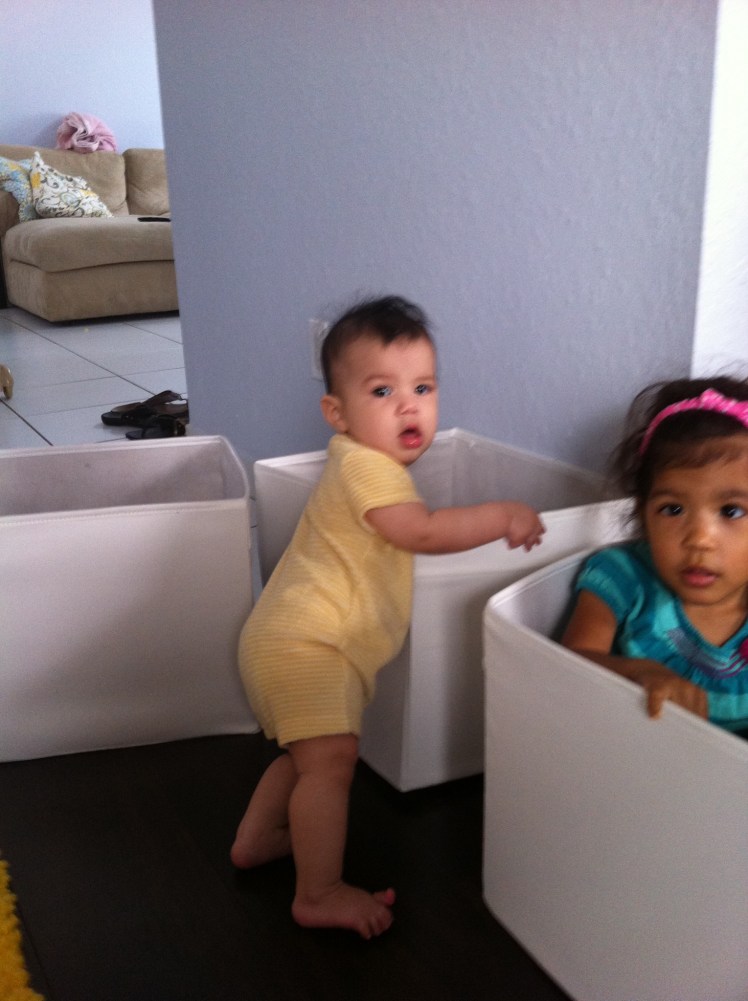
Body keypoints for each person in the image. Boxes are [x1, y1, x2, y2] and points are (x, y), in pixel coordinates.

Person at [231, 295, 545, 939]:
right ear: (337, 413)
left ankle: (258, 840)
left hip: (290, 639)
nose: (409, 406)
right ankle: (318, 892)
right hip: (307, 643)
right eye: (383, 391)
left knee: (306, 757)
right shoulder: (369, 469)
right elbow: (421, 532)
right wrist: (503, 515)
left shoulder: (359, 464)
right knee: (331, 763)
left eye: (422, 388)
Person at [562, 375, 748, 734]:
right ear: (643, 513)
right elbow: (569, 663)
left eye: (731, 511)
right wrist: (637, 672)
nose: (699, 540)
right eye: (672, 509)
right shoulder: (622, 576)